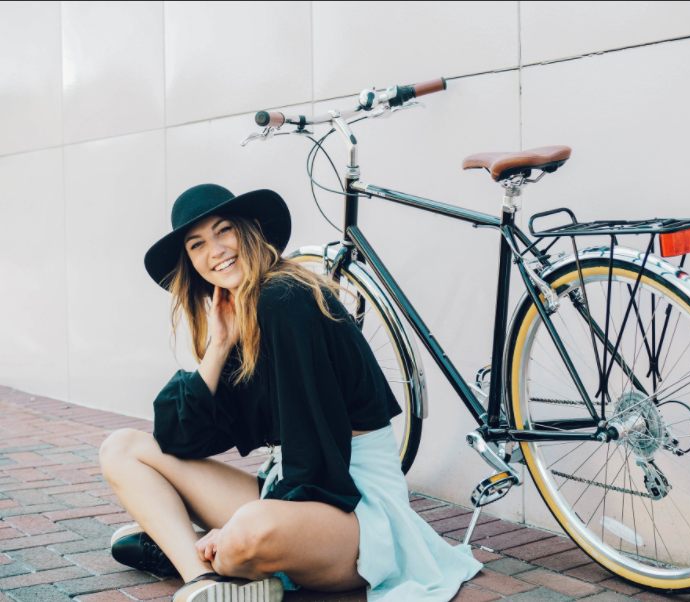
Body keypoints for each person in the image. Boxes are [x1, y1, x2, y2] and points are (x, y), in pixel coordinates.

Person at [99, 184, 483, 602]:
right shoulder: (242, 312)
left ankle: (202, 548)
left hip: (353, 506)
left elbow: (318, 454)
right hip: (295, 489)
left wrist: (233, 527)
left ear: (251, 230)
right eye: (197, 245)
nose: (215, 251)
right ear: (190, 261)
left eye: (224, 231)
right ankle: (201, 579)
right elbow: (180, 438)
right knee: (121, 448)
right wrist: (217, 348)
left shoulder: (285, 299)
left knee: (245, 533)